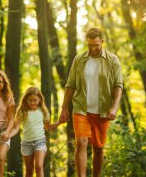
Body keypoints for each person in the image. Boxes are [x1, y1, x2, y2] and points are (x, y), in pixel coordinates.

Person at [59, 27, 123, 177]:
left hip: (103, 111)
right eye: (90, 45)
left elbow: (118, 85)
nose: (93, 49)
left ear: (102, 42)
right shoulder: (79, 59)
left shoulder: (112, 60)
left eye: (96, 45)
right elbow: (70, 84)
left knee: (98, 148)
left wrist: (114, 107)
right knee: (81, 142)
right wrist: (64, 108)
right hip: (81, 109)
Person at [9, 87, 61, 177]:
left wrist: (60, 122)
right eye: (30, 100)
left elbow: (48, 128)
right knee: (29, 170)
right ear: (25, 100)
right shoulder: (22, 111)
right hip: (26, 144)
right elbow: (16, 128)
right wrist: (8, 135)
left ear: (40, 99)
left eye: (35, 100)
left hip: (40, 142)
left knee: (39, 166)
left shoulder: (43, 111)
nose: (33, 103)